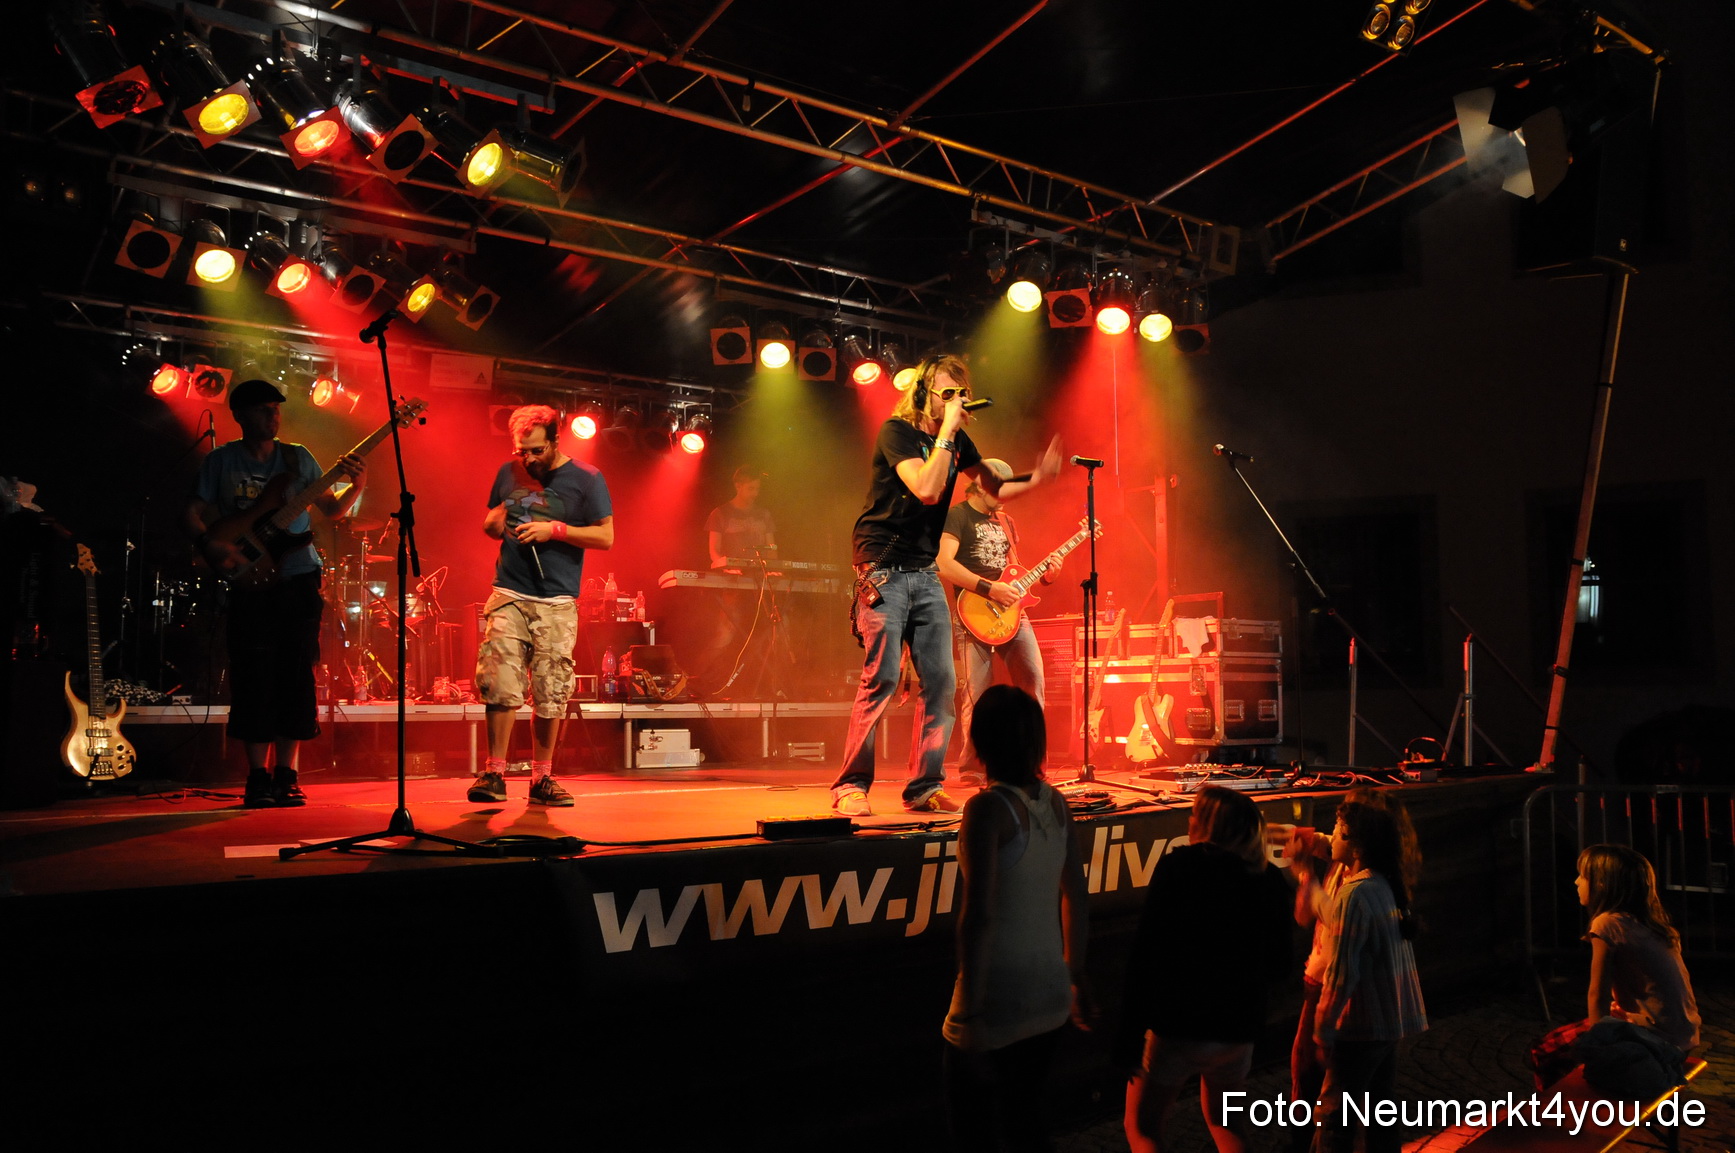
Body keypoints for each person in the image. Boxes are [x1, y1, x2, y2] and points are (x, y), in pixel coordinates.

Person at [831, 354, 1061, 817]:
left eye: (961, 393)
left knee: (941, 682)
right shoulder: (897, 432)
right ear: (924, 393)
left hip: (923, 571)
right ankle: (850, 785)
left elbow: (994, 487)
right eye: (947, 393)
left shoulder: (955, 442)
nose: (957, 401)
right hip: (883, 567)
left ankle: (924, 786)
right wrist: (947, 433)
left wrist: (1038, 478)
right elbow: (927, 488)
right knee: (883, 677)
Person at [185, 378, 365, 807]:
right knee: (252, 675)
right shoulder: (221, 461)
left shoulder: (298, 457)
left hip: (299, 577)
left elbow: (332, 509)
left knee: (296, 674)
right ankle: (257, 777)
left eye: (277, 408)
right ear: (240, 415)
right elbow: (190, 512)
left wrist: (357, 484)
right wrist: (212, 545)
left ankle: (287, 774)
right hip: (249, 581)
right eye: (264, 409)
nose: (273, 415)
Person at [942, 685, 1092, 1152]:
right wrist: (1074, 975)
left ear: (980, 742)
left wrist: (970, 1009)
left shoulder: (987, 809)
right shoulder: (1057, 803)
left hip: (999, 999)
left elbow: (978, 916)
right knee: (1026, 1122)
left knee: (976, 1133)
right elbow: (1076, 896)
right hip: (1050, 993)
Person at [1119, 786, 1293, 1153]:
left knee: (1143, 1127)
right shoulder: (1268, 878)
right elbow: (1281, 964)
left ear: (1211, 826)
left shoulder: (1180, 867)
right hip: (1238, 1029)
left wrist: (1129, 1033)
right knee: (1225, 1121)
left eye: (1196, 815)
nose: (1189, 820)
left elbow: (1146, 952)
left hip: (1179, 1025)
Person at [469, 404, 613, 807]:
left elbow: (606, 537)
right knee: (499, 681)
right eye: (521, 451)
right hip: (510, 592)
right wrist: (494, 522)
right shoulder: (508, 472)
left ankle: (542, 778)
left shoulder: (587, 478)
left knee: (551, 690)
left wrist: (555, 530)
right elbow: (494, 520)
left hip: (557, 599)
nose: (528, 459)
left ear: (555, 440)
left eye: (536, 450)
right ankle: (494, 773)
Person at [1283, 788, 1421, 1153]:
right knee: (1380, 1106)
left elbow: (1342, 974)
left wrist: (1323, 1030)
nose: (1331, 835)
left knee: (1333, 1115)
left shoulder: (1355, 894)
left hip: (1356, 1020)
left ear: (1358, 843)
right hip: (1385, 1019)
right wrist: (1310, 849)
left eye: (1339, 829)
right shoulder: (1382, 882)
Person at [1528, 844, 1701, 1098]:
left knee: (1544, 1052)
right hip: (1683, 1034)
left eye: (1583, 876)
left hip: (1657, 1039)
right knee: (1566, 1039)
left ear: (1602, 884)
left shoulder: (1608, 924)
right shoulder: (1651, 925)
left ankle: (1563, 1112)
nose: (1576, 882)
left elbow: (1597, 994)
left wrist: (1599, 1046)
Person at [937, 459, 1057, 783]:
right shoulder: (957, 516)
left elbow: (1015, 570)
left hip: (1014, 613)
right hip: (972, 612)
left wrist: (1045, 577)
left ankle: (1031, 765)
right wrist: (989, 588)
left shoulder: (1006, 521)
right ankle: (972, 767)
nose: (1005, 497)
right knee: (977, 693)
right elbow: (944, 564)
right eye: (999, 490)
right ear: (978, 487)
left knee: (1033, 685)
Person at [706, 465, 776, 569]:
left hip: (761, 573)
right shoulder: (719, 513)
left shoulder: (764, 514)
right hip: (731, 574)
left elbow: (772, 549)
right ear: (738, 486)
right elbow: (714, 551)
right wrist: (727, 567)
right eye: (751, 488)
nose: (755, 493)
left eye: (757, 489)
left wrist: (773, 568)